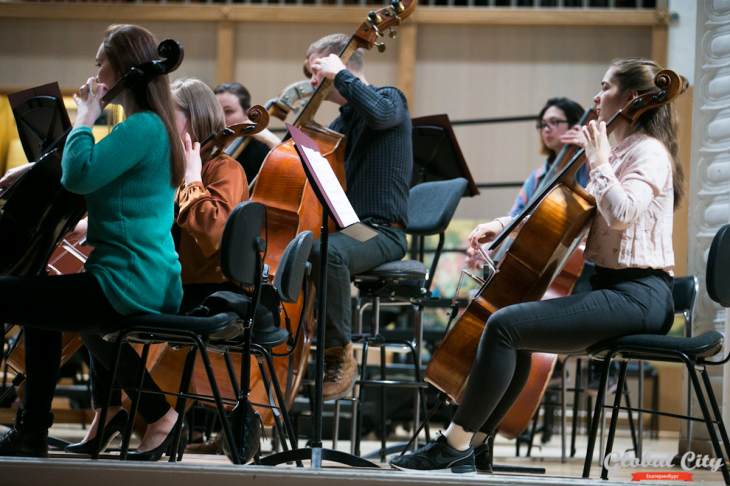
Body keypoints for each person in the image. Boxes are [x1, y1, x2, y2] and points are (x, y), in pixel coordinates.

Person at [392, 57, 682, 474]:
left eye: (606, 86)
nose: (597, 96)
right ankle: (474, 447)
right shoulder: (616, 152)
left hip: (641, 296)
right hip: (608, 289)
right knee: (515, 334)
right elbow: (566, 215)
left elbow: (622, 213)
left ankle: (453, 444)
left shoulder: (648, 153)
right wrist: (500, 226)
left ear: (632, 98)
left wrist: (598, 163)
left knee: (504, 325)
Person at [0, 24, 184, 458]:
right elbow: (93, 170)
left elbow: (80, 174)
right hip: (135, 275)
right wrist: (30, 171)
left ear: (121, 67)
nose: (95, 71)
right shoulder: (147, 128)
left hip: (128, 280)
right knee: (41, 306)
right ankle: (33, 430)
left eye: (100, 62)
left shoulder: (142, 128)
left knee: (22, 298)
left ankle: (33, 430)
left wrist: (85, 113)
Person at [66, 78, 250, 460]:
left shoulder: (224, 167)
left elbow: (213, 234)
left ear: (194, 121)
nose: (160, 121)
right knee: (94, 305)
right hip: (164, 276)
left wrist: (193, 178)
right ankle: (108, 412)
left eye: (169, 114)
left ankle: (153, 416)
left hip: (204, 289)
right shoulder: (169, 160)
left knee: (99, 309)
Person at [302, 33, 412, 401]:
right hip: (351, 228)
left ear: (341, 63)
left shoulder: (391, 99)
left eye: (316, 70)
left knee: (328, 251)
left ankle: (337, 354)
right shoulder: (340, 126)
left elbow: (380, 116)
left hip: (379, 232)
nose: (311, 81)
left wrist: (340, 75)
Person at [214, 82, 281, 183]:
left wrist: (273, 141)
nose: (221, 118)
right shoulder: (205, 147)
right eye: (216, 112)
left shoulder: (261, 148)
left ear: (247, 113)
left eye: (228, 111)